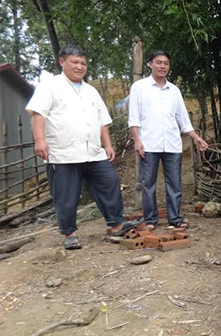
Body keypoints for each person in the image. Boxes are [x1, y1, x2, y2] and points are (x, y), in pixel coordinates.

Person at [26, 44, 140, 250]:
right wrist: (40, 140)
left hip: (93, 152)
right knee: (66, 195)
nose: (79, 67)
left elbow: (102, 120)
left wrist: (107, 144)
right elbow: (38, 114)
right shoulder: (50, 86)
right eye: (74, 62)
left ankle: (116, 224)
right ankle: (70, 233)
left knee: (109, 182)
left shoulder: (91, 91)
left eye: (83, 63)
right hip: (63, 152)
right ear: (62, 62)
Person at [128, 50, 208, 230]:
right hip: (148, 144)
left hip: (172, 144)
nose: (162, 66)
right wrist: (137, 140)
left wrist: (196, 138)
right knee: (148, 183)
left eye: (165, 63)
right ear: (150, 64)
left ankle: (175, 218)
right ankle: (150, 220)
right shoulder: (139, 87)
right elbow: (134, 118)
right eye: (158, 62)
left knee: (175, 183)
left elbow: (183, 119)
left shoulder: (174, 90)